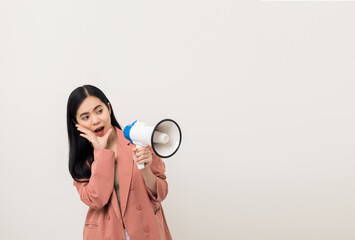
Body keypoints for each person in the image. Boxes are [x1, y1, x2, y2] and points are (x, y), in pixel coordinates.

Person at [66, 85, 172, 240]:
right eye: (85, 117)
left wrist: (145, 171)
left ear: (108, 108)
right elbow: (97, 200)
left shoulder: (138, 140)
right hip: (106, 234)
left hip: (146, 231)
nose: (95, 120)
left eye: (99, 111)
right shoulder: (81, 159)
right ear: (76, 122)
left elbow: (161, 193)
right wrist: (101, 153)